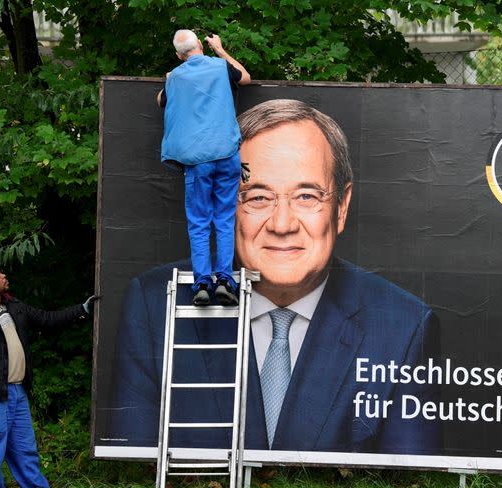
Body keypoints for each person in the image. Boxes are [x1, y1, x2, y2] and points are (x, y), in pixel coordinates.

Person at [104, 99, 442, 455]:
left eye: (307, 196)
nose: (282, 225)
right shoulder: (155, 305)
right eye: (258, 197)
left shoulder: (403, 328)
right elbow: (131, 471)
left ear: (341, 208)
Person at [0, 266, 98, 488]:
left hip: (18, 393)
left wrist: (81, 310)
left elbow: (47, 319)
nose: (4, 276)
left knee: (25, 449)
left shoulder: (14, 307)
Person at [158, 29, 250, 307]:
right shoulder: (221, 66)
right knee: (224, 220)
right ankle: (224, 280)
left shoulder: (175, 78)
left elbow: (160, 101)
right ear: (200, 44)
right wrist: (220, 50)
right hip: (226, 155)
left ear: (178, 55)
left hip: (197, 161)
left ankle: (202, 285)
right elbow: (245, 78)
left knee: (199, 223)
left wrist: (170, 80)